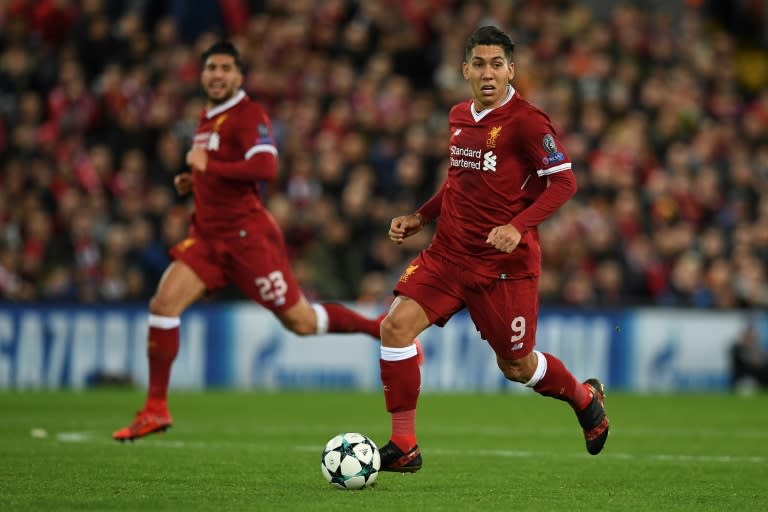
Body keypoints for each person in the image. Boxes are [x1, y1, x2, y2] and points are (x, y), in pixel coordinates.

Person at [113, 41, 401, 441]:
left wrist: (208, 166)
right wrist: (195, 180)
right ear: (202, 74)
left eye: (225, 68)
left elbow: (265, 165)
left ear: (239, 76)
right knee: (163, 305)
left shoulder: (247, 114)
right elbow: (220, 173)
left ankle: (378, 327)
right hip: (208, 240)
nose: (217, 75)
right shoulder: (207, 117)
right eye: (211, 67)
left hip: (248, 240)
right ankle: (155, 408)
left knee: (300, 321)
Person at [377, 26, 609, 472]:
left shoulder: (527, 121)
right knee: (395, 328)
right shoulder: (458, 115)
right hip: (448, 255)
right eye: (479, 64)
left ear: (511, 70)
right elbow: (458, 182)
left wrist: (519, 227)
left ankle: (584, 398)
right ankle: (404, 444)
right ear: (465, 69)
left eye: (496, 64)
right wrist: (422, 217)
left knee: (517, 367)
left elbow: (564, 182)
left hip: (502, 268)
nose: (488, 73)